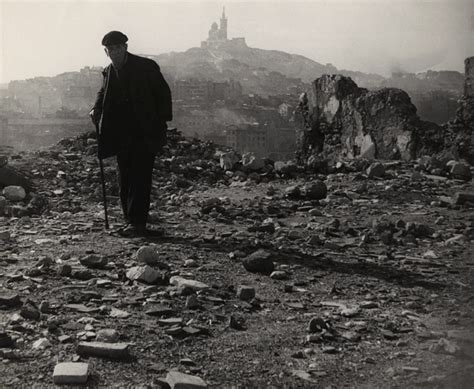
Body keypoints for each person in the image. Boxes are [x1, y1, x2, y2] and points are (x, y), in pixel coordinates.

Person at [89, 31, 172, 236]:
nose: (115, 52)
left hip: (144, 132)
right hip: (122, 133)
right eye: (111, 50)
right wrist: (96, 109)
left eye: (119, 48)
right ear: (106, 52)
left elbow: (163, 93)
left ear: (125, 48)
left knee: (140, 176)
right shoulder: (108, 71)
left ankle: (138, 223)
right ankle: (130, 220)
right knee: (124, 176)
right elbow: (103, 93)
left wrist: (158, 122)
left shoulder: (146, 67)